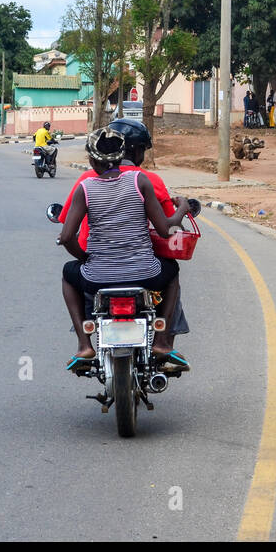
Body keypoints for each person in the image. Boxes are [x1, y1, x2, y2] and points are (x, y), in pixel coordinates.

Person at [58, 126, 191, 373]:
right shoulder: (140, 181)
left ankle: (84, 345)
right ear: (122, 156)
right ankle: (161, 342)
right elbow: (165, 230)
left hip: (97, 275)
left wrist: (85, 258)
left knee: (68, 275)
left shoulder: (84, 188)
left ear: (90, 159)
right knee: (172, 271)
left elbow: (67, 237)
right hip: (146, 273)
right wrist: (183, 207)